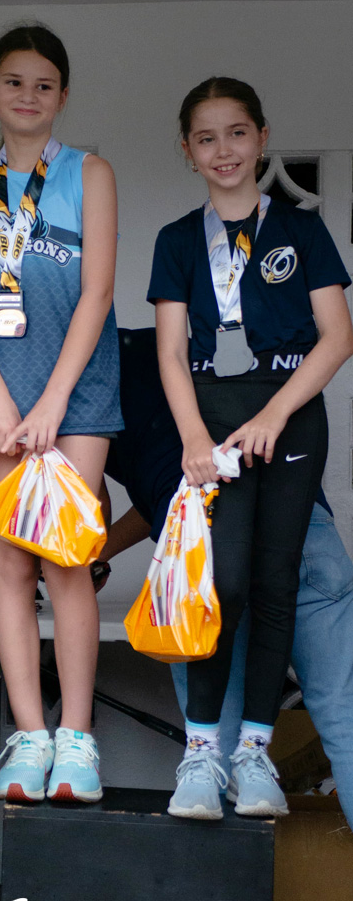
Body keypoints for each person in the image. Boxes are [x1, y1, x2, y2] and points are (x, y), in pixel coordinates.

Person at [149, 77, 353, 819]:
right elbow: (171, 354)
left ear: (262, 136)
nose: (224, 150)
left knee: (273, 584)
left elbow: (338, 338)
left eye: (237, 133)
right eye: (207, 137)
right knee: (222, 584)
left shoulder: (301, 230)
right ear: (188, 150)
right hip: (215, 429)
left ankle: (255, 754)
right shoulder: (177, 241)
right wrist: (194, 438)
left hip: (291, 419)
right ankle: (201, 754)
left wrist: (274, 414)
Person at [0, 24, 121, 802]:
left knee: (66, 557)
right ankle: (28, 734)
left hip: (74, 398)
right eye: (14, 81)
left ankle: (77, 738)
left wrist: (52, 402)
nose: (28, 96)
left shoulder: (89, 174)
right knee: (10, 565)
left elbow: (98, 293)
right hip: (3, 399)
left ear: (63, 96)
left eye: (45, 84)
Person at [100, 327, 353, 827]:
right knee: (344, 720)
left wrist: (89, 556)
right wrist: (106, 548)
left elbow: (146, 497)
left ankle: (239, 897)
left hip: (202, 551)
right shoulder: (182, 353)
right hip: (305, 535)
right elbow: (163, 496)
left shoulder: (85, 391)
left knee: (217, 755)